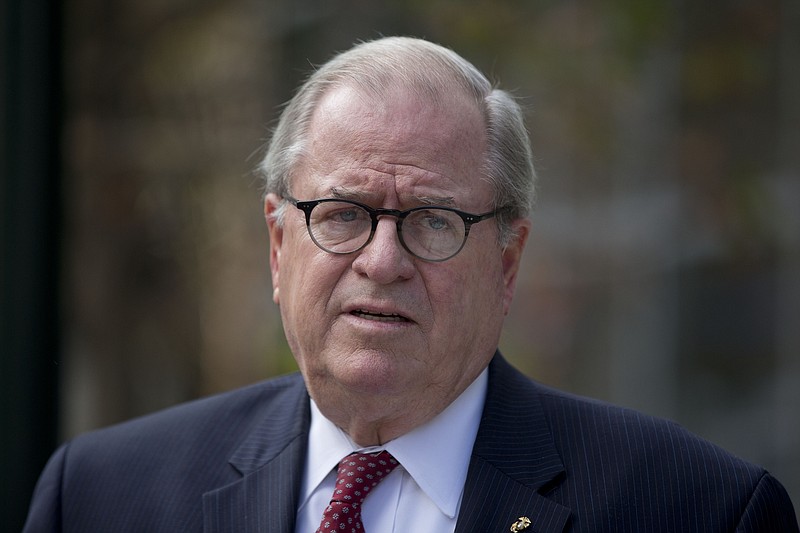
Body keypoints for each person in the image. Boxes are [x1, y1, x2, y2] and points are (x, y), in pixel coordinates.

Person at [24, 36, 798, 533]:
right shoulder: (99, 496)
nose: (383, 260)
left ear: (506, 261)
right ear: (276, 243)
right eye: (344, 212)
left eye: (432, 221)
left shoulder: (699, 512)